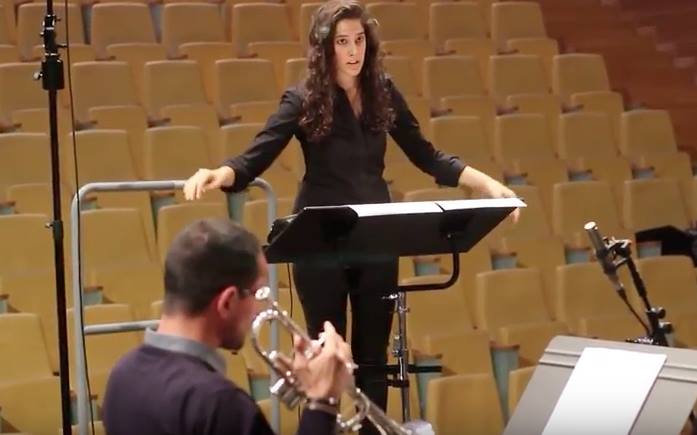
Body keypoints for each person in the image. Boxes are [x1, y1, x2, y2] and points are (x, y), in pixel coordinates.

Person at [183, 1, 519, 433]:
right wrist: (219, 173)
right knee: (325, 360)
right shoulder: (303, 98)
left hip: (375, 238)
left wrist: (487, 184)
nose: (353, 51)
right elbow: (257, 155)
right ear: (326, 48)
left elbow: (426, 155)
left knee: (373, 364)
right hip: (320, 241)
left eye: (359, 41)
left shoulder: (383, 91)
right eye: (343, 42)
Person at [102, 218, 355, 435]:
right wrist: (323, 401)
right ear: (227, 301)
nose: (259, 309)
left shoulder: (122, 375)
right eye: (257, 293)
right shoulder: (219, 403)